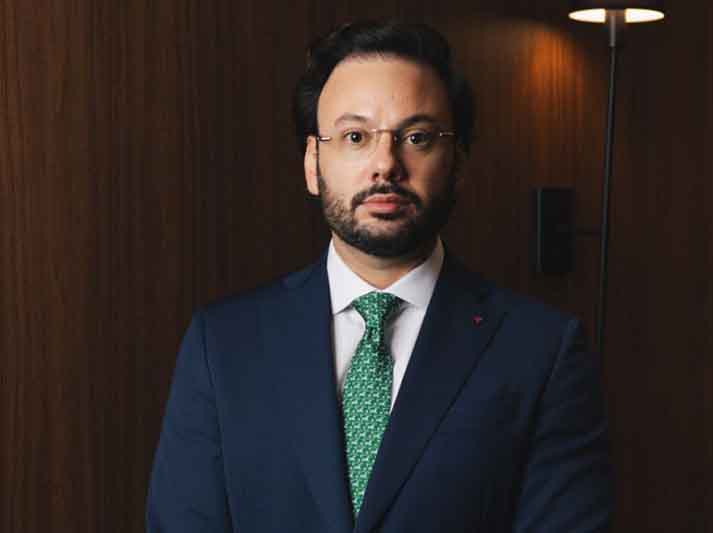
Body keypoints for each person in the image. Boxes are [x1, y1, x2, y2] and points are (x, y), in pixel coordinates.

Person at [146, 19, 612, 533]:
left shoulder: (541, 352)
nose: (385, 165)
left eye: (417, 137)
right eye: (355, 137)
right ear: (312, 162)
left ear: (458, 162)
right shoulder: (223, 346)